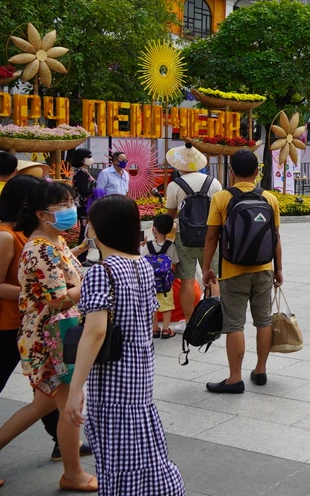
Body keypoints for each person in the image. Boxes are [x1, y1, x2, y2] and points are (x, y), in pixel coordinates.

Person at [64, 195, 185, 495]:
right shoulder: (142, 264)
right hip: (140, 369)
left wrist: (76, 389)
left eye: (90, 222)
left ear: (99, 227)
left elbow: (95, 333)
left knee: (116, 452)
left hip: (113, 376)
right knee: (139, 445)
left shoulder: (101, 272)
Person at [0, 180, 96, 491]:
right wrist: (97, 281)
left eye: (71, 202)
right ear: (42, 214)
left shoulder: (55, 240)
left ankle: (72, 472)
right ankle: (73, 474)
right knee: (68, 406)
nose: (71, 210)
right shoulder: (41, 248)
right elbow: (58, 299)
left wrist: (83, 254)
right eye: (63, 205)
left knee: (43, 406)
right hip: (50, 338)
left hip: (54, 334)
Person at [202, 150, 283, 393]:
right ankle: (260, 370)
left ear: (232, 172)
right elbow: (276, 238)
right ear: (257, 172)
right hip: (264, 269)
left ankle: (234, 378)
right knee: (263, 320)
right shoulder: (270, 198)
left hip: (232, 270)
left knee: (234, 324)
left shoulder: (221, 198)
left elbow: (211, 238)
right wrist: (279, 269)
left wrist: (206, 268)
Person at [164, 143, 222, 323]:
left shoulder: (174, 185)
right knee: (212, 278)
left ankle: (190, 322)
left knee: (187, 280)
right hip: (210, 237)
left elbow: (170, 215)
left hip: (185, 238)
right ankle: (212, 320)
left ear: (179, 164)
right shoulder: (213, 182)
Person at [142, 214, 179, 340]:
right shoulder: (171, 246)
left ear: (154, 228)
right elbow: (174, 262)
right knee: (167, 305)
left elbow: (142, 260)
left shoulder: (147, 246)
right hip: (165, 283)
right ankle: (166, 329)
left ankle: (155, 328)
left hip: (150, 283)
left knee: (153, 306)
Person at [69, 149, 95, 238]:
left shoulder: (84, 171)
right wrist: (95, 191)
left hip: (86, 204)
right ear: (82, 159)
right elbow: (83, 190)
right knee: (85, 230)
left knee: (87, 229)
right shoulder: (80, 173)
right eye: (89, 156)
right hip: (84, 205)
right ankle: (82, 247)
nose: (91, 158)